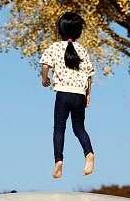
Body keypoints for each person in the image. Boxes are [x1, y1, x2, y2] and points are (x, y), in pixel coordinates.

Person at [40, 11, 95, 179]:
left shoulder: (55, 47)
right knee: (79, 128)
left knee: (59, 128)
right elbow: (89, 76)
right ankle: (89, 154)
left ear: (60, 30)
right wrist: (88, 95)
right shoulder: (82, 50)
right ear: (79, 32)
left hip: (63, 94)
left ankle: (58, 161)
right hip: (79, 94)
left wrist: (45, 79)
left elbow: (45, 66)